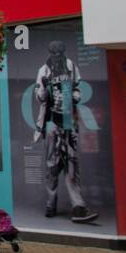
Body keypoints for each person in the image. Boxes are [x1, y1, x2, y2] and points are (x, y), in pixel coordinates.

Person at [33, 40, 97, 223]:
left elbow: (78, 88)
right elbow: (39, 96)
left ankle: (78, 205)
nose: (57, 56)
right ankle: (51, 202)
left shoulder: (72, 67)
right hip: (52, 122)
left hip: (68, 121)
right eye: (54, 53)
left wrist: (75, 98)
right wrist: (44, 89)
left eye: (60, 52)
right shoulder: (43, 70)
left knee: (71, 163)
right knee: (52, 165)